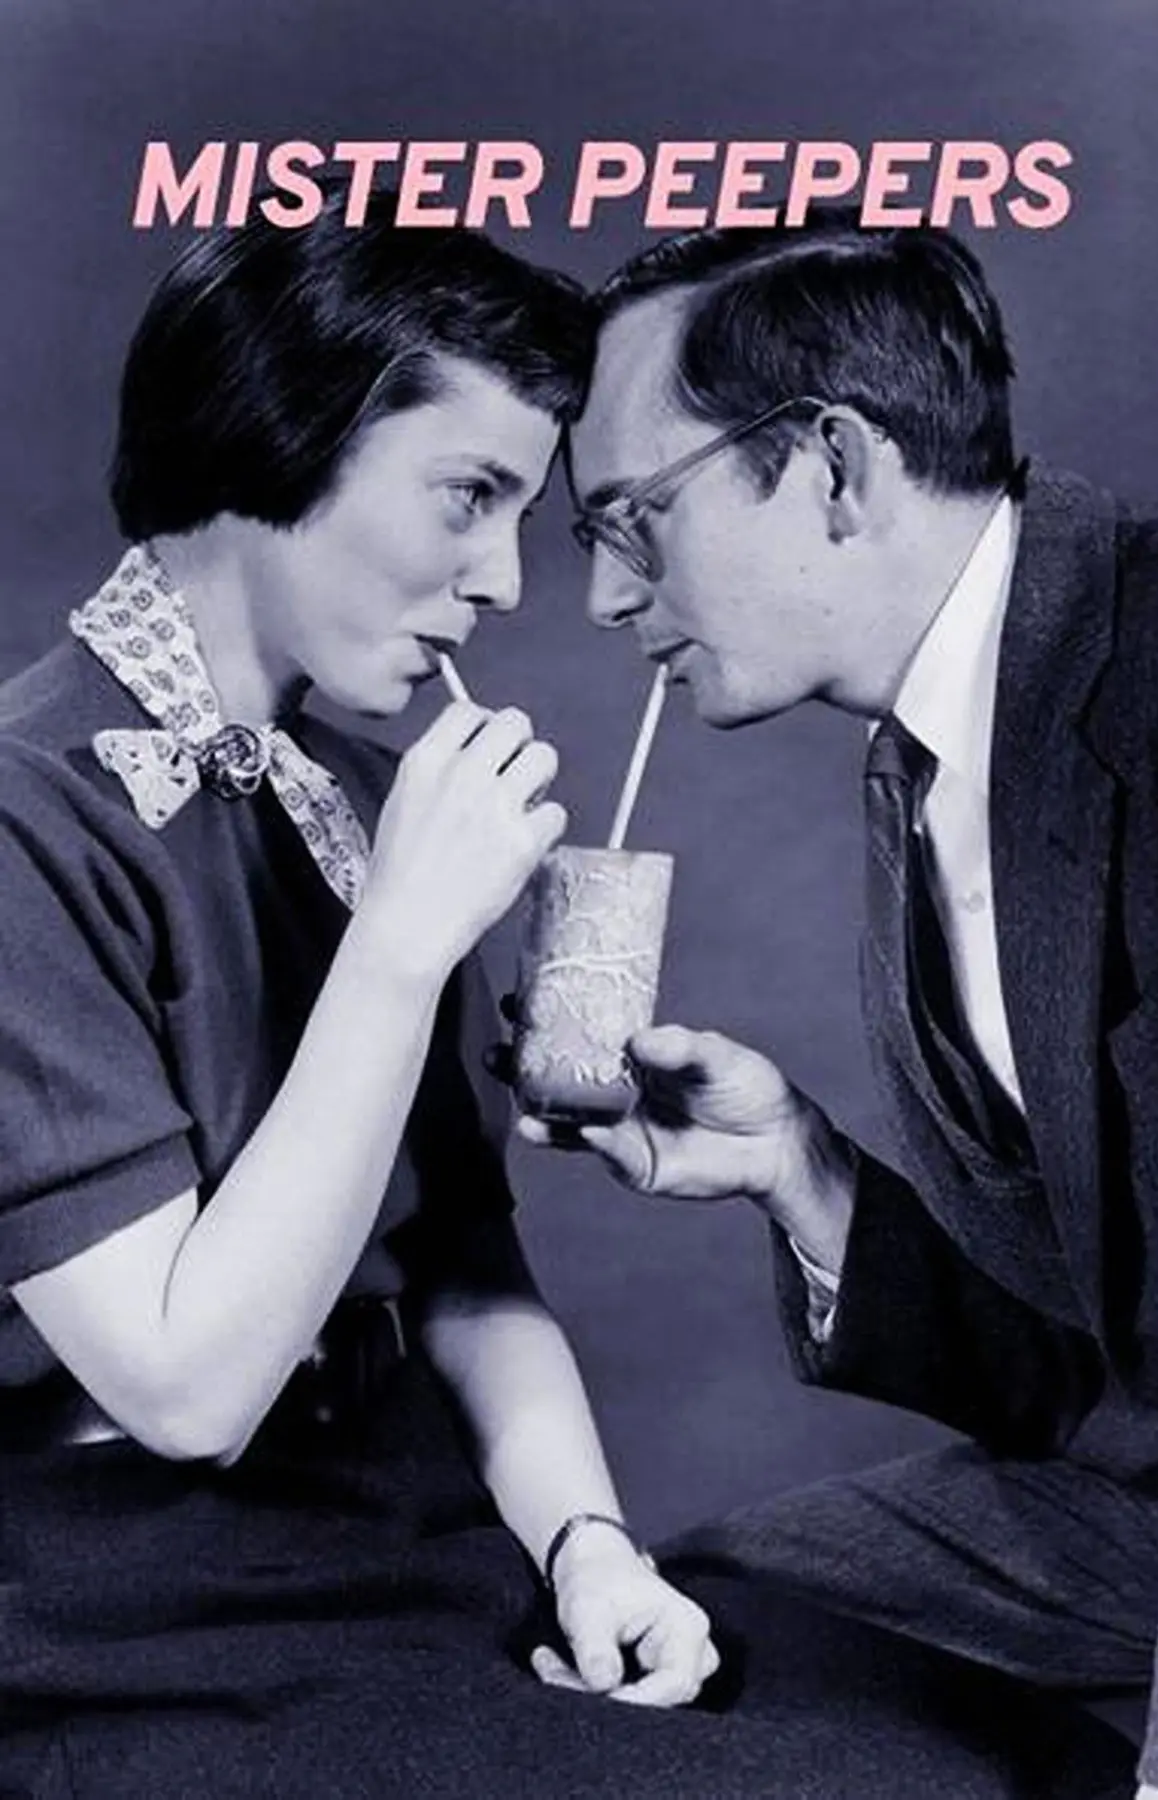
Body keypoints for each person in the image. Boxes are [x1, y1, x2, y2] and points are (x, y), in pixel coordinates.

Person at [0, 192, 737, 1798]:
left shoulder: (364, 803)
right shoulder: (23, 817)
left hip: (402, 1535)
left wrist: (590, 1547)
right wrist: (399, 945)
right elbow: (188, 1389)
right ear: (281, 431)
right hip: (118, 1606)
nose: (506, 584)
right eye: (469, 496)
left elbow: (466, 1273)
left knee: (954, 1748)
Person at [544, 215, 1158, 1800]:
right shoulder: (921, 769)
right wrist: (805, 1174)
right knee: (695, 1631)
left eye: (634, 518)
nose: (604, 599)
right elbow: (1119, 1361)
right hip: (1157, 1501)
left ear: (833, 465)